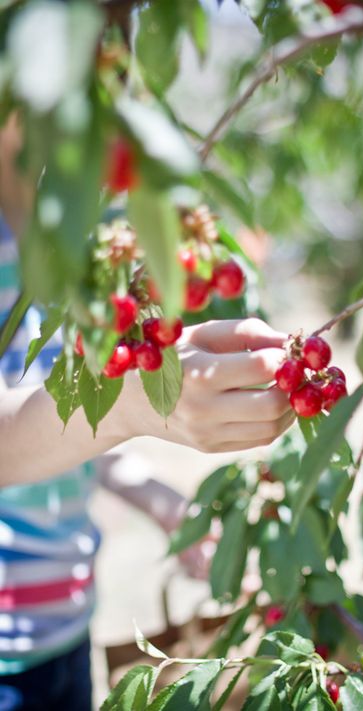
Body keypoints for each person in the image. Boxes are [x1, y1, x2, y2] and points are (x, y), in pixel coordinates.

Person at [0, 115, 293, 710]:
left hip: (67, 627)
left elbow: (47, 409)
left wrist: (157, 498)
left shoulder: (65, 231)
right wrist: (129, 408)